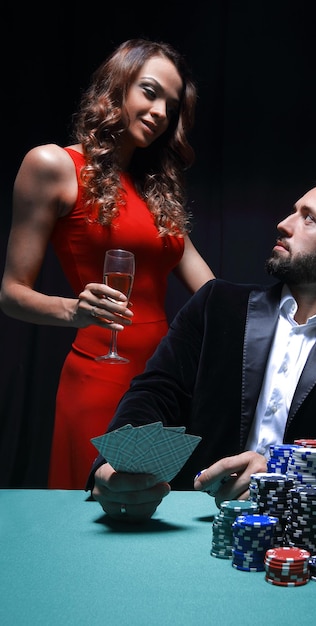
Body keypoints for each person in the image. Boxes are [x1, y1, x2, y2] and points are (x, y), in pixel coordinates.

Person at [87, 169, 316, 522]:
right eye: (294, 211)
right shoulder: (215, 304)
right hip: (190, 520)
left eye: (308, 219)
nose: (284, 223)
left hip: (296, 537)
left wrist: (288, 469)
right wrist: (115, 463)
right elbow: (155, 393)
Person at [0, 38, 215, 489]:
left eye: (171, 106)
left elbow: (211, 291)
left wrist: (287, 308)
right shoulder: (52, 164)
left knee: (153, 529)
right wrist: (74, 311)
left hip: (162, 385)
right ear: (117, 87)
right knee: (102, 526)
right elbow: (12, 294)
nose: (159, 112)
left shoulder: (156, 190)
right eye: (149, 92)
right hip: (101, 378)